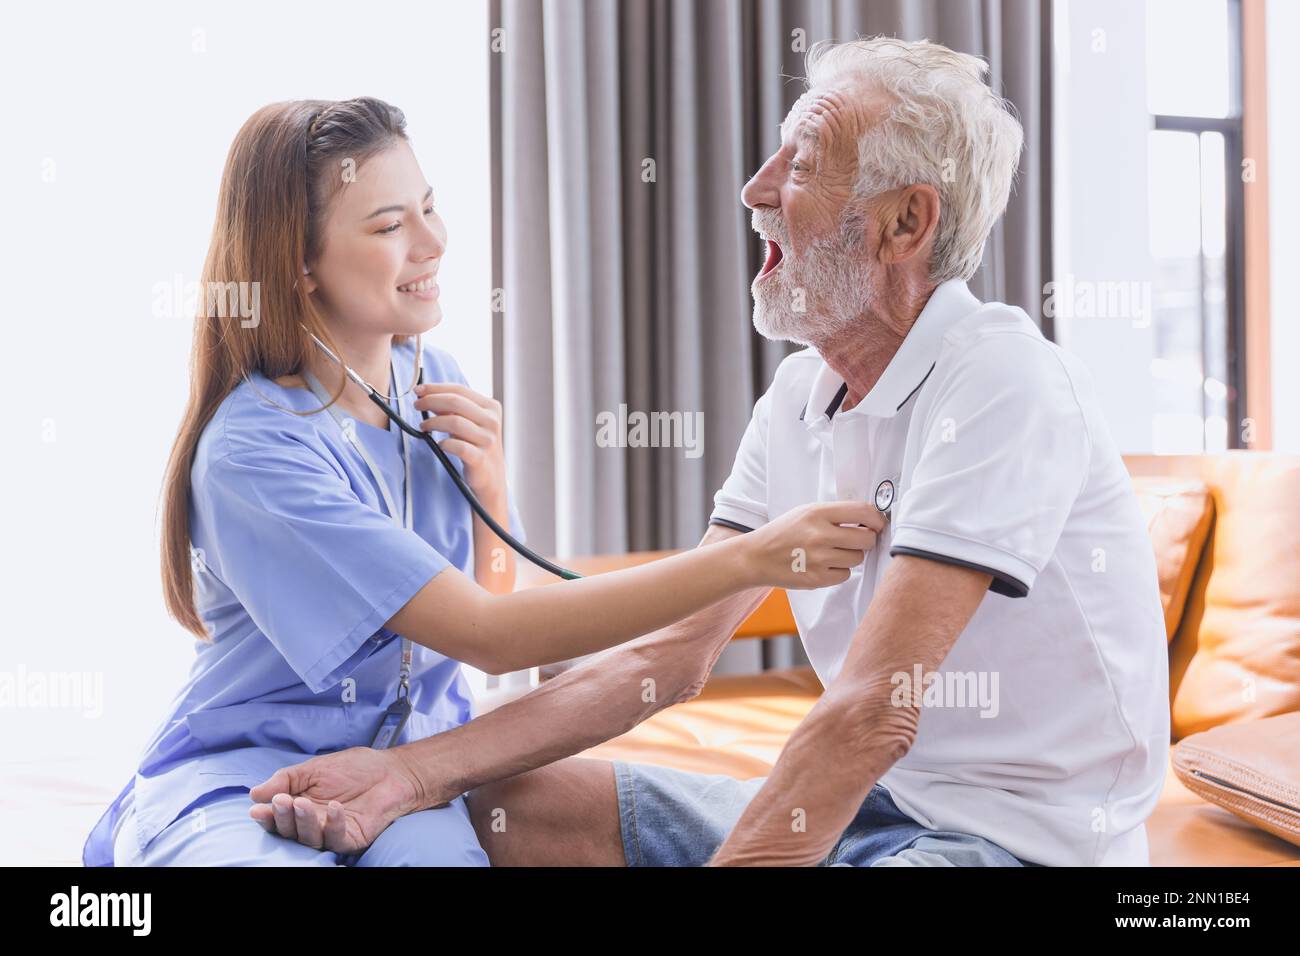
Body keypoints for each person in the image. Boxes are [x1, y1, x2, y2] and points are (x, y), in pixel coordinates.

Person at [251, 39, 1169, 868]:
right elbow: (668, 657)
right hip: (876, 816)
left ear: (904, 224)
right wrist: (409, 775)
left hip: (1019, 846)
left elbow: (870, 712)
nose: (755, 187)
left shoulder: (1004, 379)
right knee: (494, 805)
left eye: (801, 163)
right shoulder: (799, 397)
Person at [82, 96, 878, 867]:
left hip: (405, 769)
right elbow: (492, 639)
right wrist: (751, 560)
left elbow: (497, 620)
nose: (432, 243)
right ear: (299, 263)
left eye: (429, 207)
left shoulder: (430, 385)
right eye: (391, 225)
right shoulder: (256, 454)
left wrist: (489, 488)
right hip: (245, 777)